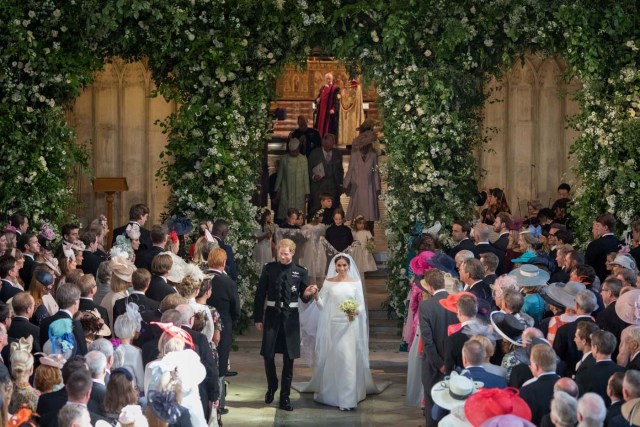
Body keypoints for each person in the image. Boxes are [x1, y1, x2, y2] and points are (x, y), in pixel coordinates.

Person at [294, 254, 387, 411]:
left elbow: (362, 305)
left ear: (349, 267)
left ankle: (348, 399)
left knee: (348, 359)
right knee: (336, 359)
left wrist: (355, 311)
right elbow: (322, 307)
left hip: (351, 326)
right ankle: (332, 394)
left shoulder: (356, 283)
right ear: (335, 267)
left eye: (345, 265)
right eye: (339, 265)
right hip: (334, 327)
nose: (342, 268)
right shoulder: (329, 283)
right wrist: (316, 296)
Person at [253, 239, 317, 411]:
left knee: (289, 360)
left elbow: (303, 297)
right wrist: (258, 317)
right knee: (268, 355)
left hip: (291, 320)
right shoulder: (269, 268)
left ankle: (285, 397)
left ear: (293, 253)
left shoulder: (300, 271)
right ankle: (272, 385)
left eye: (286, 253)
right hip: (272, 317)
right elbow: (260, 294)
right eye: (280, 253)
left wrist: (309, 293)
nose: (282, 256)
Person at [344, 119, 381, 226]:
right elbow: (350, 170)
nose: (367, 146)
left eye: (369, 144)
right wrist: (345, 185)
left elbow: (375, 172)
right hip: (357, 189)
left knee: (369, 219)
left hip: (370, 189)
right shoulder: (355, 155)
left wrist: (378, 188)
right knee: (356, 217)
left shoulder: (373, 155)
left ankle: (370, 236)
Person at [308, 133, 344, 215]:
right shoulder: (314, 153)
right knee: (317, 209)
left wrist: (341, 185)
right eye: (330, 142)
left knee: (333, 209)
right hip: (318, 187)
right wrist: (314, 176)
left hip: (333, 187)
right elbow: (309, 169)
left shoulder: (337, 153)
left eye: (333, 142)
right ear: (323, 143)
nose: (332, 144)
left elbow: (340, 171)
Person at [274, 139, 310, 222]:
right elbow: (280, 175)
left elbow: (306, 176)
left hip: (300, 190)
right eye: (292, 151)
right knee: (286, 212)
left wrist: (307, 192)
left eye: (296, 151)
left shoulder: (303, 159)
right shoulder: (284, 159)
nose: (294, 153)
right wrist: (276, 189)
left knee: (299, 214)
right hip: (287, 189)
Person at [314, 72, 340, 138]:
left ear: (332, 79)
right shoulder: (323, 88)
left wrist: (334, 109)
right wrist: (317, 100)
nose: (328, 80)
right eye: (327, 78)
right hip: (321, 111)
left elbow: (337, 100)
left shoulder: (335, 88)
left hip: (328, 111)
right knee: (320, 125)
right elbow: (318, 97)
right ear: (325, 79)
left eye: (329, 78)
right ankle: (319, 138)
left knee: (327, 127)